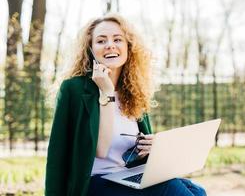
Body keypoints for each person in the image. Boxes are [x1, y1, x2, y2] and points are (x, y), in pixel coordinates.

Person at [45, 13, 207, 196]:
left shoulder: (134, 91)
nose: (110, 45)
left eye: (117, 39)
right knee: (169, 189)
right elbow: (98, 150)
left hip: (126, 177)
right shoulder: (73, 89)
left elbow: (130, 156)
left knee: (196, 190)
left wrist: (147, 150)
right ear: (90, 49)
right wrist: (106, 92)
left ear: (129, 47)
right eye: (101, 41)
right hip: (93, 183)